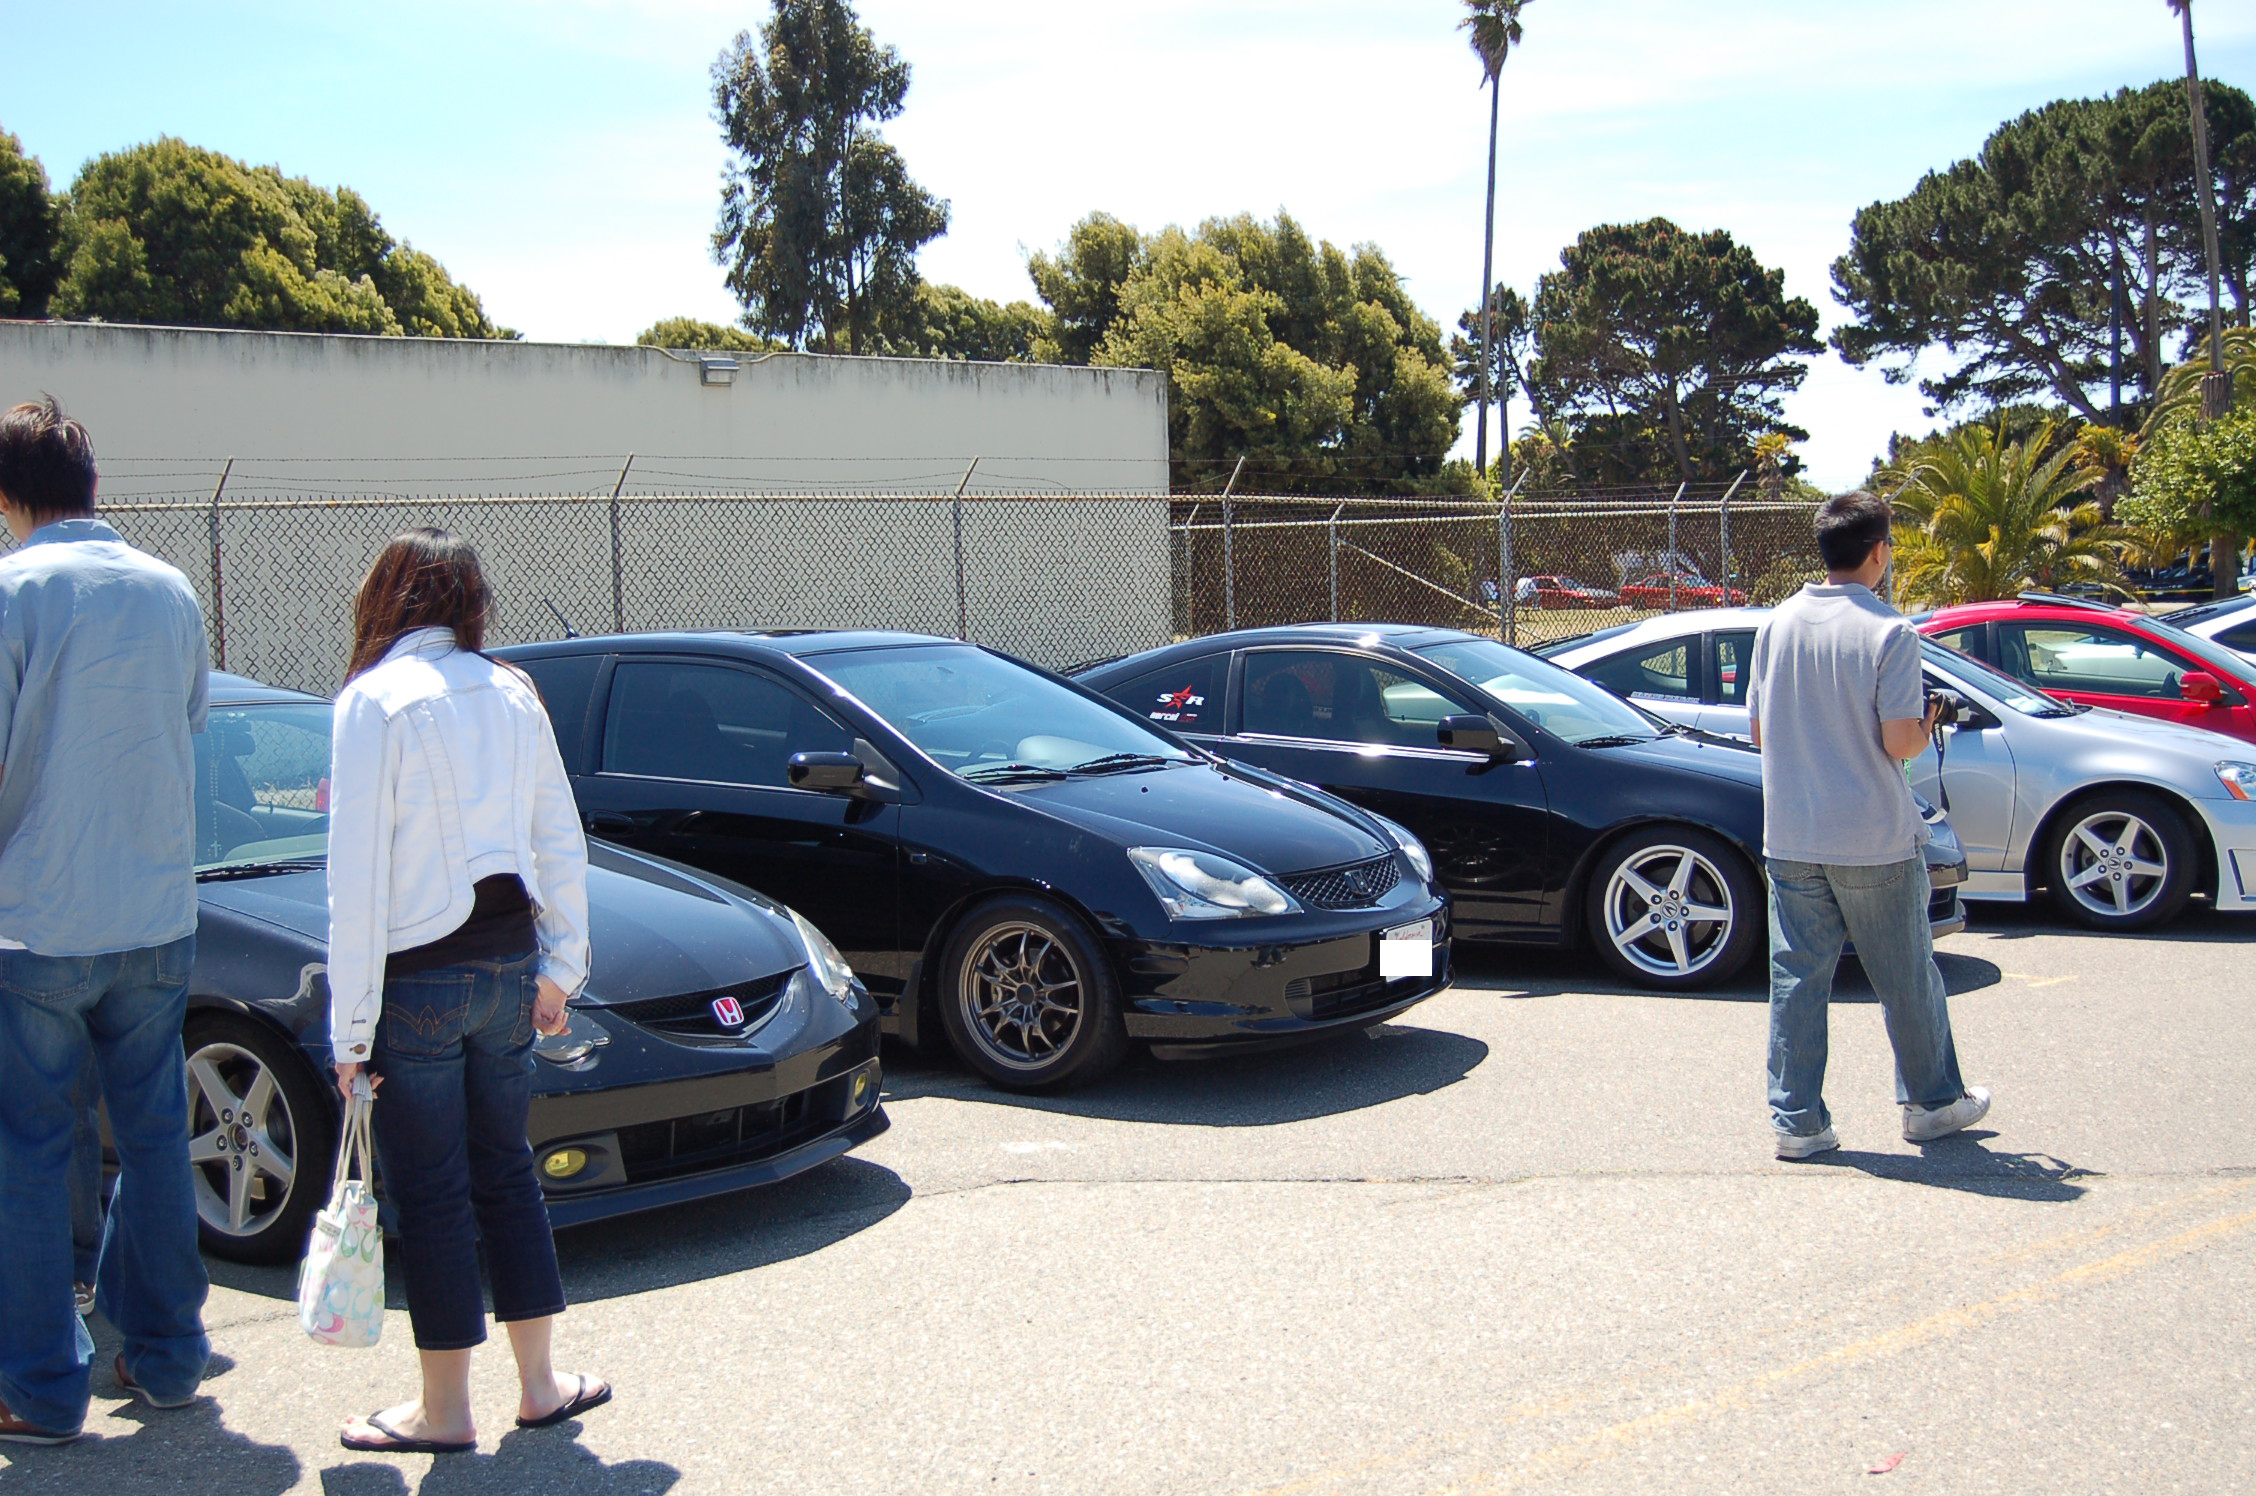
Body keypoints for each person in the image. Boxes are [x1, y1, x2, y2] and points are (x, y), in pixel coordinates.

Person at [326, 528, 609, 1454]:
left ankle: (444, 1411)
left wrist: (350, 1034)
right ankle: (540, 1385)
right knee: (507, 1169)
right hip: (510, 969)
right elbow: (560, 838)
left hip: (416, 978)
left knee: (434, 1189)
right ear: (470, 604)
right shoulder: (513, 688)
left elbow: (354, 880)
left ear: (385, 596)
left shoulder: (372, 700)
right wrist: (561, 969)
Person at [0, 397, 212, 1445]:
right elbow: (190, 723)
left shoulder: (12, 593)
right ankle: (167, 1357)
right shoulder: (172, 589)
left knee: (33, 1153)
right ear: (92, 486)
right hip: (157, 911)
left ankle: (43, 1388)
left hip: (35, 918)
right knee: (158, 1138)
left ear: (9, 496)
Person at [1746, 491, 1991, 1160]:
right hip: (1872, 837)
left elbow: (1761, 733)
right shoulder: (1891, 631)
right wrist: (1928, 721)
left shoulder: (1776, 626)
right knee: (1905, 976)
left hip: (1792, 832)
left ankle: (1797, 1123)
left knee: (1797, 980)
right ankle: (1932, 1103)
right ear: (1879, 552)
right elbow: (1900, 742)